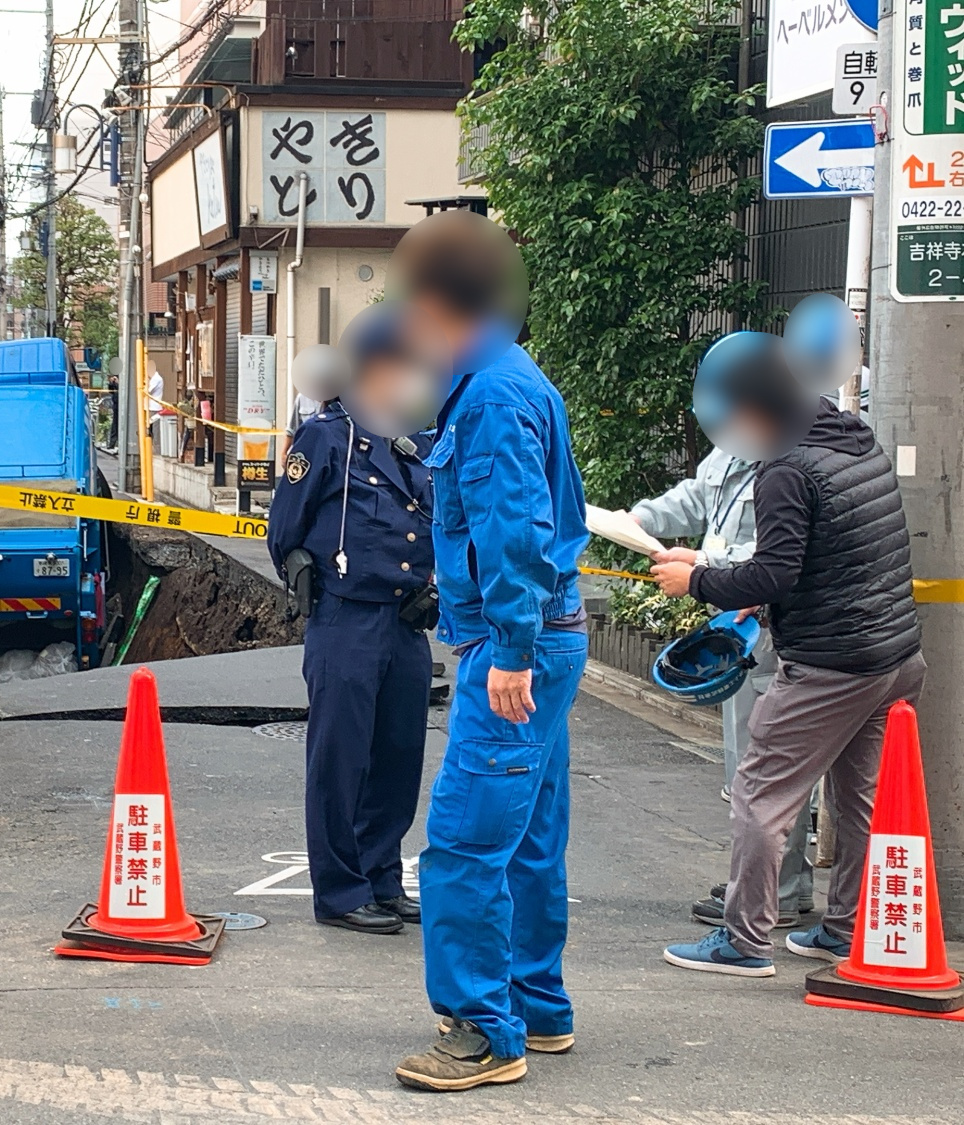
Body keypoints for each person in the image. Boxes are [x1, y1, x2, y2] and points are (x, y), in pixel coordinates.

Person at [390, 218, 589, 1094]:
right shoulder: (509, 378)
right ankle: (538, 1007)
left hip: (520, 644)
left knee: (467, 838)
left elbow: (516, 532)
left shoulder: (493, 394)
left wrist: (507, 647)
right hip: (549, 635)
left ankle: (479, 1028)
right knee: (532, 834)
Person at [656, 396, 924, 978]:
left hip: (832, 663)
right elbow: (829, 556)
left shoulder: (784, 470)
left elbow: (776, 569)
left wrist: (696, 579)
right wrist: (746, 585)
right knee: (858, 800)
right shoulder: (854, 441)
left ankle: (744, 940)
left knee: (759, 792)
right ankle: (845, 929)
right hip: (895, 654)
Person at [267, 332, 435, 937]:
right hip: (346, 617)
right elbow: (284, 524)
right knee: (341, 758)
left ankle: (382, 877)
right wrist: (301, 571)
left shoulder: (413, 442)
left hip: (405, 621)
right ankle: (339, 891)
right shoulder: (325, 436)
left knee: (397, 757)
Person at [630, 451, 815, 928]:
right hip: (737, 611)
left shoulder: (790, 456)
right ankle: (763, 883)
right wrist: (636, 520)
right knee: (749, 763)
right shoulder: (737, 443)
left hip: (769, 618)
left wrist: (701, 566)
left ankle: (777, 892)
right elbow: (697, 496)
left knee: (767, 762)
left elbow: (780, 553)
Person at [104, 374, 119, 453]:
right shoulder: (115, 382)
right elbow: (111, 391)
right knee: (115, 424)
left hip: (121, 404)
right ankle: (112, 443)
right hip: (116, 404)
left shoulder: (124, 380)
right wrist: (111, 383)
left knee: (118, 424)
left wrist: (118, 383)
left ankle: (117, 443)